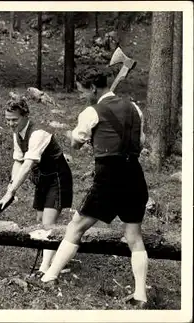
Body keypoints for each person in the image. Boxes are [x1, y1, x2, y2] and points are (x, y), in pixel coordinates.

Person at [40, 67, 149, 309]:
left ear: (92, 88)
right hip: (135, 176)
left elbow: (75, 145)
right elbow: (139, 144)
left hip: (109, 177)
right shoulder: (135, 108)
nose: (81, 96)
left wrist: (74, 136)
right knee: (133, 236)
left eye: (82, 91)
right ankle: (141, 295)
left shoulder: (91, 111)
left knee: (75, 226)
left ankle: (49, 277)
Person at [0, 96, 73, 277]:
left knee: (48, 224)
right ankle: (53, 256)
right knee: (40, 220)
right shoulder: (17, 134)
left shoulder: (37, 133)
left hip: (57, 178)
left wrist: (12, 191)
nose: (10, 124)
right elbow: (17, 161)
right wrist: (10, 189)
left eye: (14, 120)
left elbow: (27, 165)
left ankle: (45, 268)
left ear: (25, 116)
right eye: (7, 120)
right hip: (42, 179)